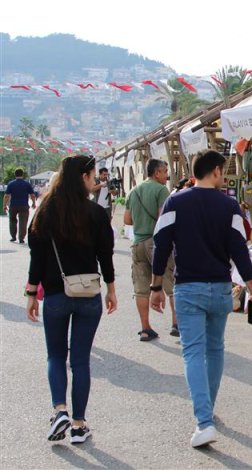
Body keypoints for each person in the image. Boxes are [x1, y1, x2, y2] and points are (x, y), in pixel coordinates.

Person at [149, 149, 252, 448]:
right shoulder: (230, 206)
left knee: (194, 352)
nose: (222, 176)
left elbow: (161, 245)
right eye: (222, 171)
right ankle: (207, 412)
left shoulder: (175, 202)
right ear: (214, 171)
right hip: (221, 288)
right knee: (215, 349)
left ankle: (204, 420)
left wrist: (156, 285)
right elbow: (240, 249)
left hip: (188, 288)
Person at [24, 155, 117, 444]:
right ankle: (78, 424)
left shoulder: (46, 212)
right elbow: (106, 255)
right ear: (83, 178)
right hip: (88, 294)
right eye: (92, 176)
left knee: (55, 356)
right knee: (80, 361)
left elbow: (36, 258)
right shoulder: (96, 213)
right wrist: (111, 289)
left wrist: (31, 294)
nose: (94, 181)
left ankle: (60, 410)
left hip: (55, 295)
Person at [124, 159, 178, 341]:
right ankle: (176, 324)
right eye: (164, 171)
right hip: (156, 243)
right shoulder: (161, 190)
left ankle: (145, 328)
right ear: (157, 173)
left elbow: (127, 220)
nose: (166, 175)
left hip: (137, 243)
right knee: (171, 284)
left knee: (141, 288)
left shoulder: (133, 191)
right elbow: (163, 217)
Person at [3, 168, 37, 243]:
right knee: (23, 222)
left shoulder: (11, 184)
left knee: (12, 221)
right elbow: (32, 195)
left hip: (13, 205)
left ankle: (13, 237)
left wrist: (4, 205)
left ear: (15, 175)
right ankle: (21, 238)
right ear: (22, 175)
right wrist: (34, 203)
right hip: (24, 205)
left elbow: (6, 196)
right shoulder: (27, 184)